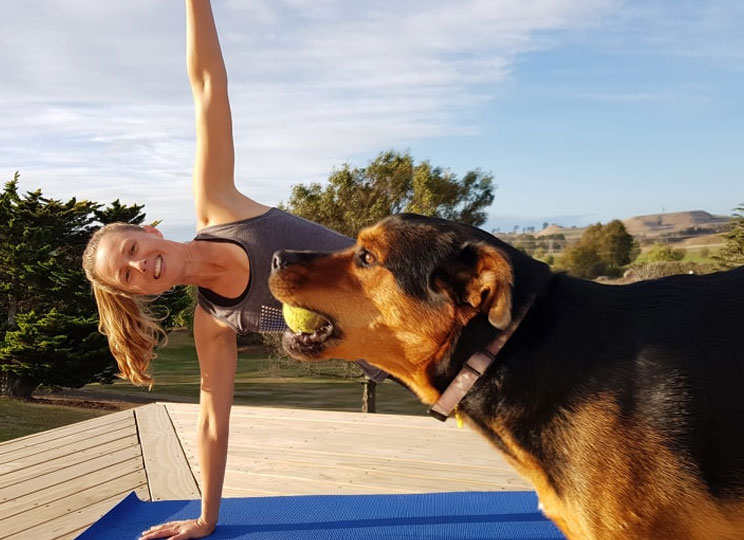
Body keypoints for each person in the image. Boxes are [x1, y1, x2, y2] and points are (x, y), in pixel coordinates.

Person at [81, 1, 385, 538]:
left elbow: (207, 86)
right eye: (126, 275)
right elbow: (212, 421)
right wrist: (207, 518)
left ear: (148, 231)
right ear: (140, 290)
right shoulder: (214, 323)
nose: (138, 265)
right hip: (398, 360)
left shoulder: (220, 205)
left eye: (129, 248)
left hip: (417, 292)